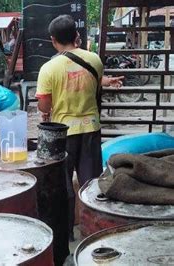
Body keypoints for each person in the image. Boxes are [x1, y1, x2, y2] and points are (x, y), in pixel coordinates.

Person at [35, 15, 124, 244]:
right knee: (91, 183)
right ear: (77, 36)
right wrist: (108, 81)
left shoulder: (48, 68)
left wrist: (47, 107)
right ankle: (94, 231)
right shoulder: (94, 59)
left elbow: (45, 105)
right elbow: (92, 79)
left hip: (62, 134)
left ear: (53, 40)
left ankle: (66, 235)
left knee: (63, 187)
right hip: (91, 130)